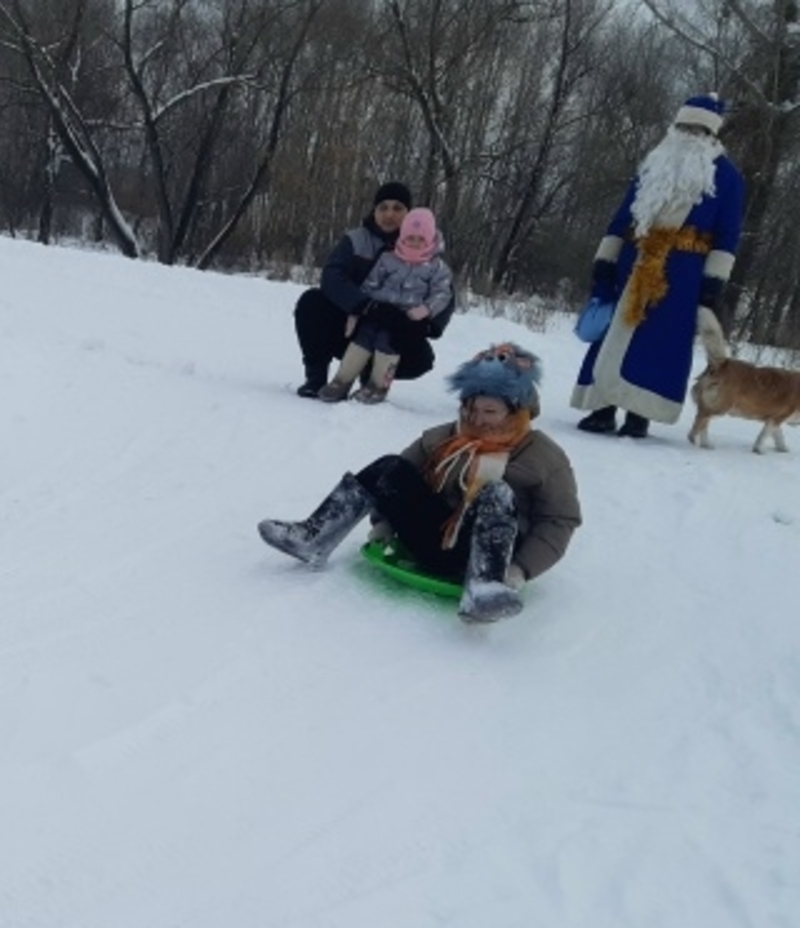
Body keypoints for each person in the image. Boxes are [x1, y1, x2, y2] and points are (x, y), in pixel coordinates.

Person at [258, 343, 581, 624]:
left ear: (517, 411)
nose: (477, 419)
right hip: (433, 540)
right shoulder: (446, 436)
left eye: (490, 411)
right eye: (470, 408)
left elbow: (559, 520)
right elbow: (401, 477)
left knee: (495, 491)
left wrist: (521, 569)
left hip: (493, 557)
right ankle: (314, 537)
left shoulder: (542, 455)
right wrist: (385, 521)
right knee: (389, 466)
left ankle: (484, 591)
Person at [572, 93, 745, 438]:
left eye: (696, 129)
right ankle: (603, 408)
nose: (687, 134)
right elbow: (623, 216)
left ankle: (640, 413)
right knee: (611, 336)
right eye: (683, 126)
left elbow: (728, 235)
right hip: (632, 262)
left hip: (681, 273)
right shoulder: (653, 165)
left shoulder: (728, 178)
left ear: (711, 135)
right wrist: (606, 259)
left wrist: (713, 282)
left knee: (660, 343)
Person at [293, 181, 453, 398]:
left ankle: (372, 381)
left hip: (399, 327)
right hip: (353, 323)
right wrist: (364, 306)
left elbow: (445, 293)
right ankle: (317, 379)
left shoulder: (426, 244)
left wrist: (425, 325)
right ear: (374, 210)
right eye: (383, 207)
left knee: (421, 359)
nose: (389, 214)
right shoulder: (356, 240)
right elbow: (332, 277)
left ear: (409, 213)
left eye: (397, 208)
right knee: (311, 302)